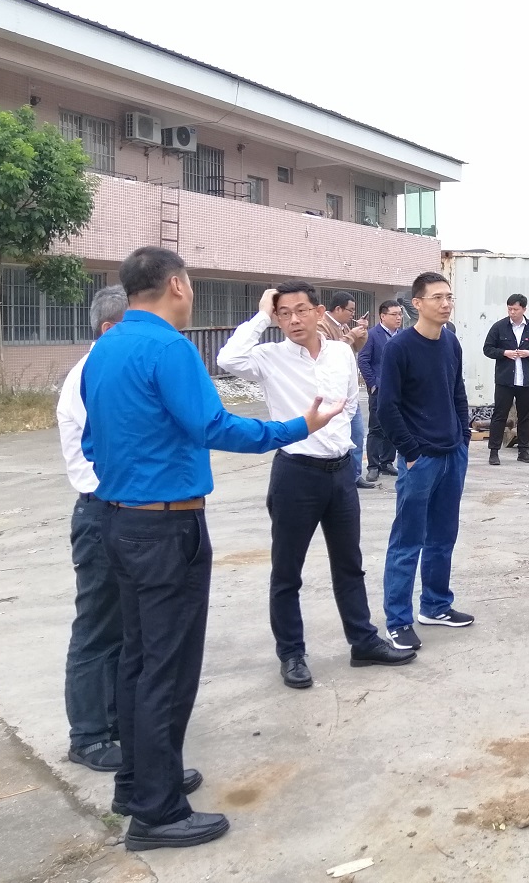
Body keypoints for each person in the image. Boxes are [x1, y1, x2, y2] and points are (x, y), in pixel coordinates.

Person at [81, 246, 344, 852]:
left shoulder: (106, 348)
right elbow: (215, 426)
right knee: (167, 670)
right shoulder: (170, 348)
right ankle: (157, 813)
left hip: (119, 521)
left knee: (137, 660)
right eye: (191, 284)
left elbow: (93, 442)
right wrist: (297, 428)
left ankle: (140, 781)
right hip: (166, 528)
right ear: (176, 285)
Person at [217, 281, 415, 689]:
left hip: (340, 473)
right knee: (287, 571)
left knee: (349, 564)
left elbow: (348, 403)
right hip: (296, 474)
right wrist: (261, 315)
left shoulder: (341, 353)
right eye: (284, 313)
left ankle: (363, 642)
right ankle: (291, 653)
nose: (293, 320)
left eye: (301, 310)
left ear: (319, 312)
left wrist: (344, 448)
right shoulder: (269, 358)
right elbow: (227, 358)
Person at [378, 272, 474, 650]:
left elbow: (457, 392)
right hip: (420, 461)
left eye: (449, 296)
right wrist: (411, 452)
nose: (446, 303)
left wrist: (463, 439)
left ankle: (435, 605)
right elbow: (387, 407)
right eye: (437, 297)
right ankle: (398, 620)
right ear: (417, 303)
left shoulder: (451, 342)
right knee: (407, 541)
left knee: (442, 537)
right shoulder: (399, 348)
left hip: (453, 455)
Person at [56, 284, 128, 774]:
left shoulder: (107, 369)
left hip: (122, 511)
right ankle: (88, 735)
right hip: (100, 512)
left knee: (122, 627)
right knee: (98, 628)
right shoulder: (92, 375)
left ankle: (117, 720)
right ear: (110, 329)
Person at [318, 290, 376, 489]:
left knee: (357, 434)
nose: (352, 314)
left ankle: (355, 475)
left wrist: (361, 333)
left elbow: (355, 348)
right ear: (338, 309)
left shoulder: (343, 327)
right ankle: (340, 476)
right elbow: (326, 352)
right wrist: (351, 335)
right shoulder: (321, 325)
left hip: (348, 390)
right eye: (350, 310)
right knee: (336, 436)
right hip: (330, 392)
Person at [482, 293, 529, 466]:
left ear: (524, 309)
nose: (512, 312)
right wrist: (504, 353)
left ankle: (523, 451)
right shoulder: (499, 327)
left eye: (515, 309)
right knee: (500, 415)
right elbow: (487, 349)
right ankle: (494, 451)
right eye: (509, 309)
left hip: (526, 381)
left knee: (525, 416)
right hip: (505, 380)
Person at [357, 300, 402, 482]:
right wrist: (373, 384)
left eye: (400, 314)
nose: (398, 318)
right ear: (383, 316)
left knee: (394, 425)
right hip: (379, 389)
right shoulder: (372, 335)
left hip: (399, 389)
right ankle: (373, 466)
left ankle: (387, 462)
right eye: (394, 314)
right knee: (376, 428)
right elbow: (363, 361)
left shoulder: (403, 335)